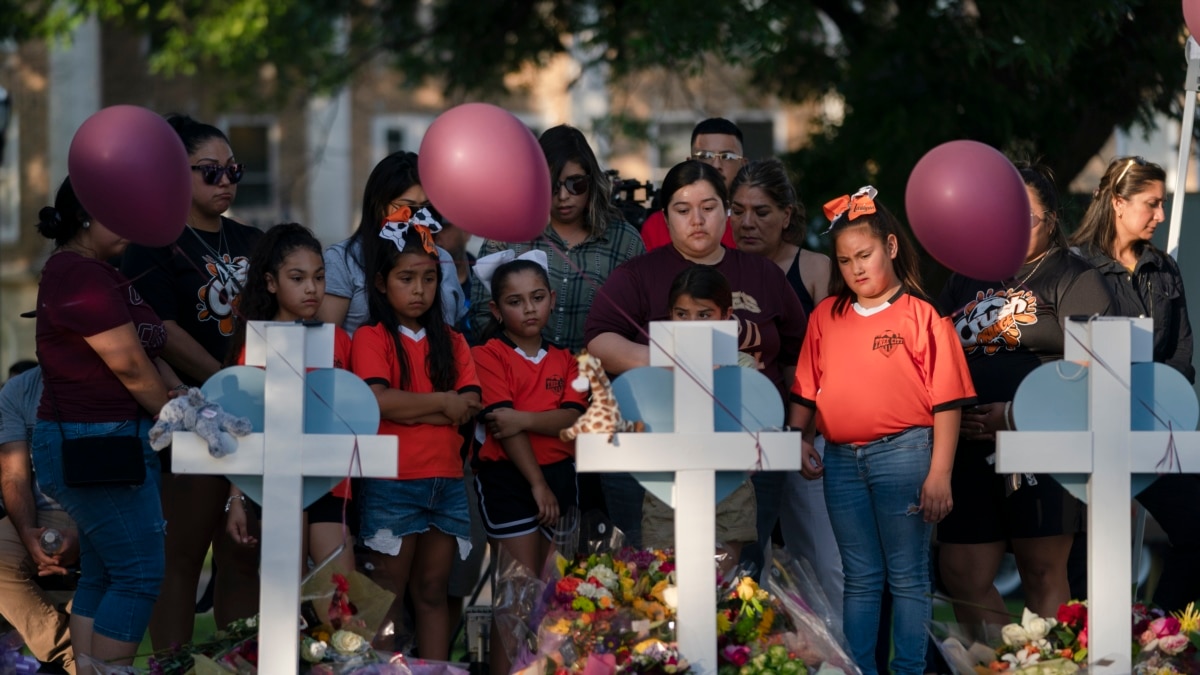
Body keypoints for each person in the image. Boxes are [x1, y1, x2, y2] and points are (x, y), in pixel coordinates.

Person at [787, 187, 973, 675]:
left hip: (906, 455)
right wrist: (799, 438)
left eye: (864, 255)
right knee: (860, 577)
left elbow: (947, 402)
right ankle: (857, 670)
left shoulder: (922, 316)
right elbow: (806, 388)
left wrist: (940, 474)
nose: (856, 269)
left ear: (891, 247)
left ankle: (908, 670)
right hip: (842, 460)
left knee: (909, 576)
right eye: (845, 260)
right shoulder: (826, 316)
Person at [584, 160, 807, 547]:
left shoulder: (765, 274)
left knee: (741, 580)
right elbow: (599, 340)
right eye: (683, 210)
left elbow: (797, 358)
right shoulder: (638, 274)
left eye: (709, 207)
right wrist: (674, 358)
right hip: (653, 450)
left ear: (726, 211)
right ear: (666, 218)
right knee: (653, 577)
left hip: (751, 451)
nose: (697, 220)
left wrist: (800, 432)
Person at [936, 164, 1114, 628]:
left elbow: (1093, 372)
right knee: (961, 571)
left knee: (1041, 570)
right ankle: (1004, 663)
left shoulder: (1075, 278)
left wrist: (1013, 416)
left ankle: (1049, 663)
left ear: (1051, 219)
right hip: (970, 446)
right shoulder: (965, 275)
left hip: (1042, 444)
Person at [119, 114, 263, 647]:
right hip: (192, 413)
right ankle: (171, 664)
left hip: (259, 412)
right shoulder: (151, 243)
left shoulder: (253, 240)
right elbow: (159, 328)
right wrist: (227, 380)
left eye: (233, 170)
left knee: (242, 552)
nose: (225, 181)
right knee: (181, 553)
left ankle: (236, 662)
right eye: (210, 171)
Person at [33, 177, 182, 668]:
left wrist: (176, 394)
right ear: (83, 218)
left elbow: (145, 354)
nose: (129, 226)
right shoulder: (82, 275)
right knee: (139, 574)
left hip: (102, 437)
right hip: (96, 439)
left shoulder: (96, 271)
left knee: (104, 573)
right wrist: (171, 411)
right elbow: (129, 365)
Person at [350, 205, 481, 658]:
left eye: (428, 278)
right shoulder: (370, 338)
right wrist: (442, 404)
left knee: (432, 591)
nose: (419, 290)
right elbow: (379, 402)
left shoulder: (455, 341)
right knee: (386, 592)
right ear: (382, 283)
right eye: (406, 278)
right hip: (393, 482)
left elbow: (469, 406)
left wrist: (421, 408)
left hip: (445, 482)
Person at [1070, 155, 1200, 612]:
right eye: (1152, 204)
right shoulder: (1074, 267)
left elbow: (1181, 355)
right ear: (1118, 203)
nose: (1160, 216)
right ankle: (1084, 646)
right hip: (1089, 435)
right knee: (1088, 553)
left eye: (1163, 205)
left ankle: (1158, 634)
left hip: (1155, 431)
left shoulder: (1164, 268)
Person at [470, 251, 586, 675]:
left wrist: (524, 417)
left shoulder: (566, 359)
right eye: (515, 301)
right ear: (496, 310)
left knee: (553, 597)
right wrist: (537, 483)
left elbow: (571, 418)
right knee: (517, 597)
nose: (529, 308)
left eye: (537, 297)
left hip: (560, 476)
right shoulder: (488, 355)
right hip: (511, 478)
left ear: (553, 299)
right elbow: (503, 426)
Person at [729, 157, 840, 593]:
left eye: (761, 212)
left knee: (822, 563)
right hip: (738, 441)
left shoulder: (813, 269)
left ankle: (839, 661)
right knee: (749, 564)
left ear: (787, 215)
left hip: (809, 435)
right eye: (737, 210)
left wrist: (803, 435)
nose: (747, 222)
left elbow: (829, 359)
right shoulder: (719, 269)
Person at [222, 224, 356, 575]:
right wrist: (235, 498)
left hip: (330, 480)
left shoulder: (338, 341)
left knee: (340, 599)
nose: (312, 288)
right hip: (277, 479)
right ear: (271, 282)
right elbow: (241, 424)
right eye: (297, 278)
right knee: (285, 589)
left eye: (319, 277)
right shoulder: (256, 346)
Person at [468, 124, 645, 353]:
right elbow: (483, 314)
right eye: (552, 185)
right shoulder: (507, 231)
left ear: (592, 181)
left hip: (598, 381)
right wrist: (527, 363)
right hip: (518, 380)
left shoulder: (624, 240)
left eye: (576, 184)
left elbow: (639, 321)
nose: (563, 196)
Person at [640, 265, 757, 565]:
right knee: (662, 588)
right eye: (682, 314)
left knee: (721, 590)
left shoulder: (742, 366)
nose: (691, 324)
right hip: (667, 495)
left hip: (727, 495)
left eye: (703, 315)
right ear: (670, 316)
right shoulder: (656, 366)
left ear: (725, 314)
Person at [317, 151, 466, 336]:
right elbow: (326, 340)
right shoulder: (343, 260)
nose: (417, 216)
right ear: (379, 206)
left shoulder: (443, 259)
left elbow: (455, 334)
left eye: (426, 206)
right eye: (407, 207)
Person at [0, 365, 77, 673]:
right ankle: (74, 655)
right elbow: (14, 476)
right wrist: (29, 533)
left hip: (102, 510)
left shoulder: (108, 381)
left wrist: (83, 537)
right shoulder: (19, 390)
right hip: (39, 512)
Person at [639, 118, 745, 251]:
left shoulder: (751, 224)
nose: (716, 165)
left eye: (728, 157)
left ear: (743, 164)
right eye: (705, 155)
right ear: (690, 162)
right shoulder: (657, 225)